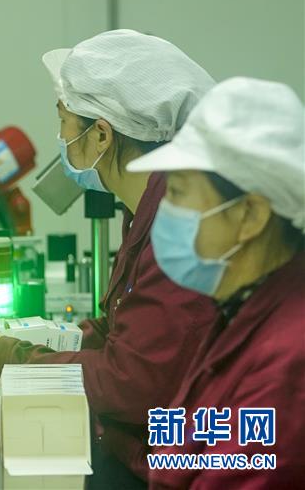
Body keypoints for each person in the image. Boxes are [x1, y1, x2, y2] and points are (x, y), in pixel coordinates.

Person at [0, 29, 220, 482]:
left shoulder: (181, 225)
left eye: (63, 122)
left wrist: (4, 361)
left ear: (101, 135)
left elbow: (133, 381)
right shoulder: (148, 210)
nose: (60, 138)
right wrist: (19, 333)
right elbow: (125, 332)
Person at [124, 77, 304, 488]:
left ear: (250, 216)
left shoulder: (288, 357)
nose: (166, 211)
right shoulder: (243, 310)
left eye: (178, 193)